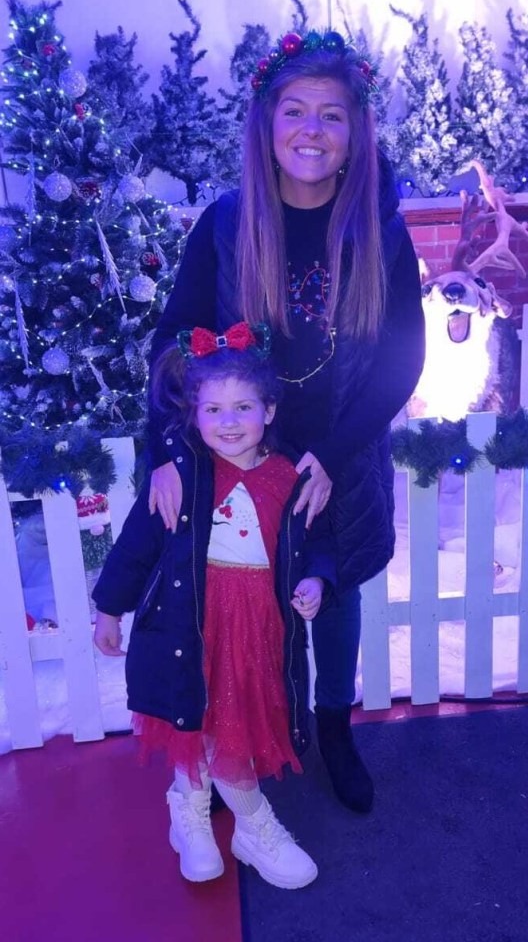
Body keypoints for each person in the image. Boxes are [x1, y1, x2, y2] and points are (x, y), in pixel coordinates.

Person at [146, 29, 425, 813]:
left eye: (331, 115)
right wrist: (169, 444)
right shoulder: (228, 224)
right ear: (266, 125)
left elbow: (404, 358)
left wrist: (333, 455)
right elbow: (173, 340)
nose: (311, 130)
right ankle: (251, 737)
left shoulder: (382, 228)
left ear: (355, 132)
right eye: (294, 110)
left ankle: (333, 725)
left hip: (344, 450)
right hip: (245, 456)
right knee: (248, 604)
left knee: (331, 600)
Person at [93, 327, 336, 889]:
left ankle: (229, 821)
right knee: (193, 717)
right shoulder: (182, 476)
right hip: (191, 625)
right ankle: (217, 818)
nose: (229, 422)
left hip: (257, 628)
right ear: (195, 415)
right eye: (214, 409)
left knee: (232, 720)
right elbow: (137, 545)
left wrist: (318, 580)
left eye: (244, 407)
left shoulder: (290, 476)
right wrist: (109, 608)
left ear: (269, 410)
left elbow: (318, 542)